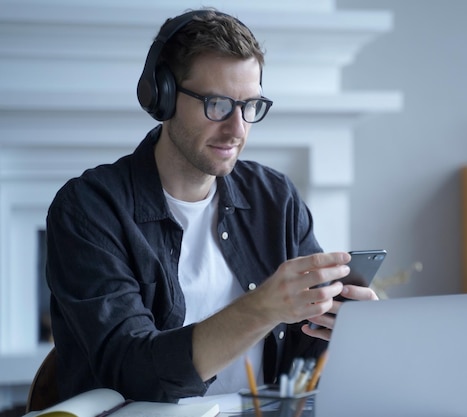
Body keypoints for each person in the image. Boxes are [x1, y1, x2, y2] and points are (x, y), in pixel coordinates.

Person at [45, 7, 377, 404]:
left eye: (250, 106)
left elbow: (302, 355)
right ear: (162, 97)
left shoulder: (275, 197)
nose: (237, 129)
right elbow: (130, 371)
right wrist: (262, 308)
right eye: (217, 104)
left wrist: (346, 329)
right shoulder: (89, 209)